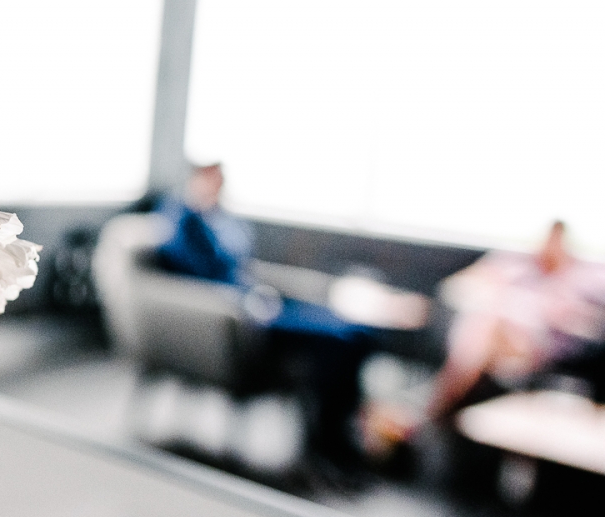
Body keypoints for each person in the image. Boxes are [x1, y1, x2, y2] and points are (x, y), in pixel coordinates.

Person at [152, 163, 373, 468]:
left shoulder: (220, 219)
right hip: (241, 316)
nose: (218, 187)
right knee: (338, 339)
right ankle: (328, 443)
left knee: (359, 332)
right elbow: (194, 271)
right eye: (211, 179)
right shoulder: (183, 217)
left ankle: (344, 435)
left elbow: (241, 262)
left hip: (258, 300)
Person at [368, 222, 605, 453]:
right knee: (484, 326)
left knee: (484, 330)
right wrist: (494, 291)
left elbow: (591, 322)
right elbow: (456, 286)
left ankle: (427, 411)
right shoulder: (515, 265)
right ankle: (428, 412)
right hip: (489, 344)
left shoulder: (582, 278)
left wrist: (563, 311)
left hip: (535, 350)